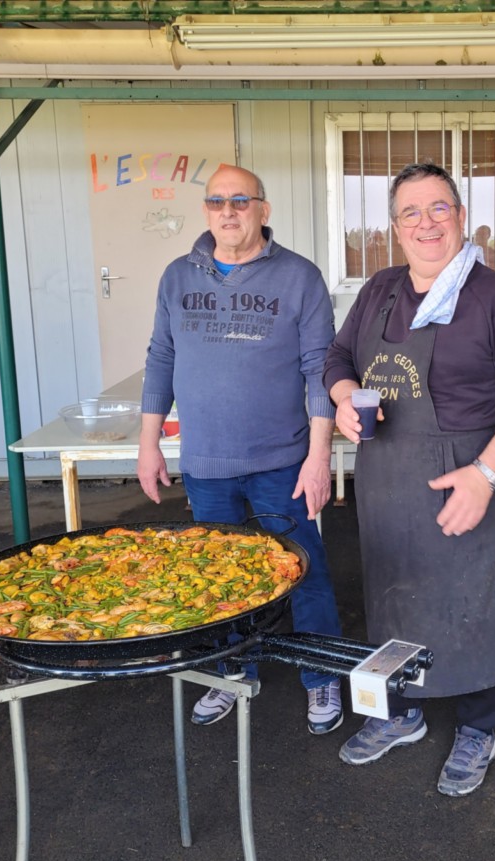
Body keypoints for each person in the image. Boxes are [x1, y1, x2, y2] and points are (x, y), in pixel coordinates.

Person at [323, 162, 495, 796]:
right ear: (394, 227)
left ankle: (479, 726)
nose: (426, 223)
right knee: (394, 594)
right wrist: (344, 397)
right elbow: (338, 357)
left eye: (438, 209)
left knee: (476, 602)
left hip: (477, 474)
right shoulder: (380, 290)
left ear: (460, 217)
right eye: (411, 212)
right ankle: (399, 713)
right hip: (389, 475)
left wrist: (485, 474)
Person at [138, 163, 343, 735]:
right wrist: (149, 444)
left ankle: (320, 672)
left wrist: (319, 458)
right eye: (216, 201)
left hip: (283, 461)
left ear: (263, 209)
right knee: (217, 576)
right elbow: (161, 358)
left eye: (240, 201)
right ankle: (231, 670)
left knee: (304, 569)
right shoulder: (177, 276)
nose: (227, 211)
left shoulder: (299, 277)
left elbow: (319, 369)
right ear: (206, 210)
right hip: (206, 464)